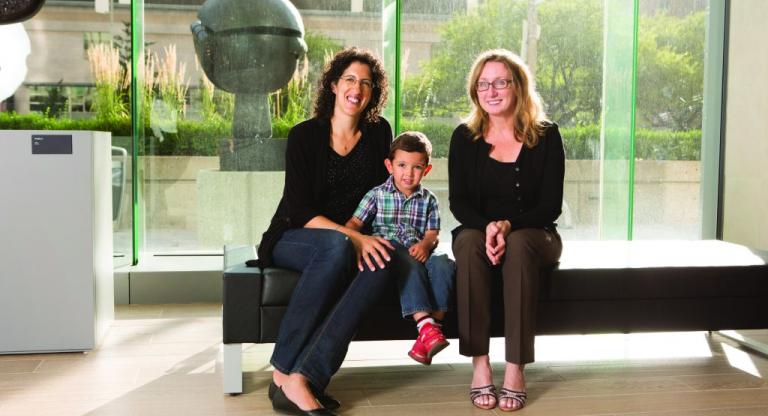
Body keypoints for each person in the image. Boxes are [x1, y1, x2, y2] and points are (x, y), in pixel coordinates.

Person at [258, 47, 395, 416]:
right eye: (349, 79)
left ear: (373, 92)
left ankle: (306, 376)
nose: (357, 88)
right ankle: (282, 371)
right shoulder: (304, 136)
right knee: (336, 247)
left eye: (366, 83)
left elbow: (384, 194)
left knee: (382, 261)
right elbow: (300, 210)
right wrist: (353, 237)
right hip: (295, 234)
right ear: (334, 85)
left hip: (347, 237)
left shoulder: (379, 132)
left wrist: (375, 238)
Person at [448, 49, 565, 412]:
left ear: (518, 86)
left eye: (501, 82)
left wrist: (507, 225)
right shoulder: (463, 138)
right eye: (483, 84)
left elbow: (550, 206)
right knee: (466, 242)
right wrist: (488, 228)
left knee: (517, 243)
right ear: (475, 91)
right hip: (479, 233)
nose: (492, 90)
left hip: (536, 235)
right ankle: (480, 365)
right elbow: (459, 203)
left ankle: (515, 369)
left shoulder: (545, 136)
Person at [345, 131, 456, 365]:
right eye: (402, 165)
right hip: (391, 252)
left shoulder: (429, 199)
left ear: (426, 170)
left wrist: (426, 245)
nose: (409, 173)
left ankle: (428, 333)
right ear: (390, 165)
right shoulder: (376, 194)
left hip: (419, 249)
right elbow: (353, 224)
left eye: (417, 167)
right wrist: (357, 242)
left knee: (445, 263)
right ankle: (426, 325)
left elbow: (432, 234)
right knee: (408, 261)